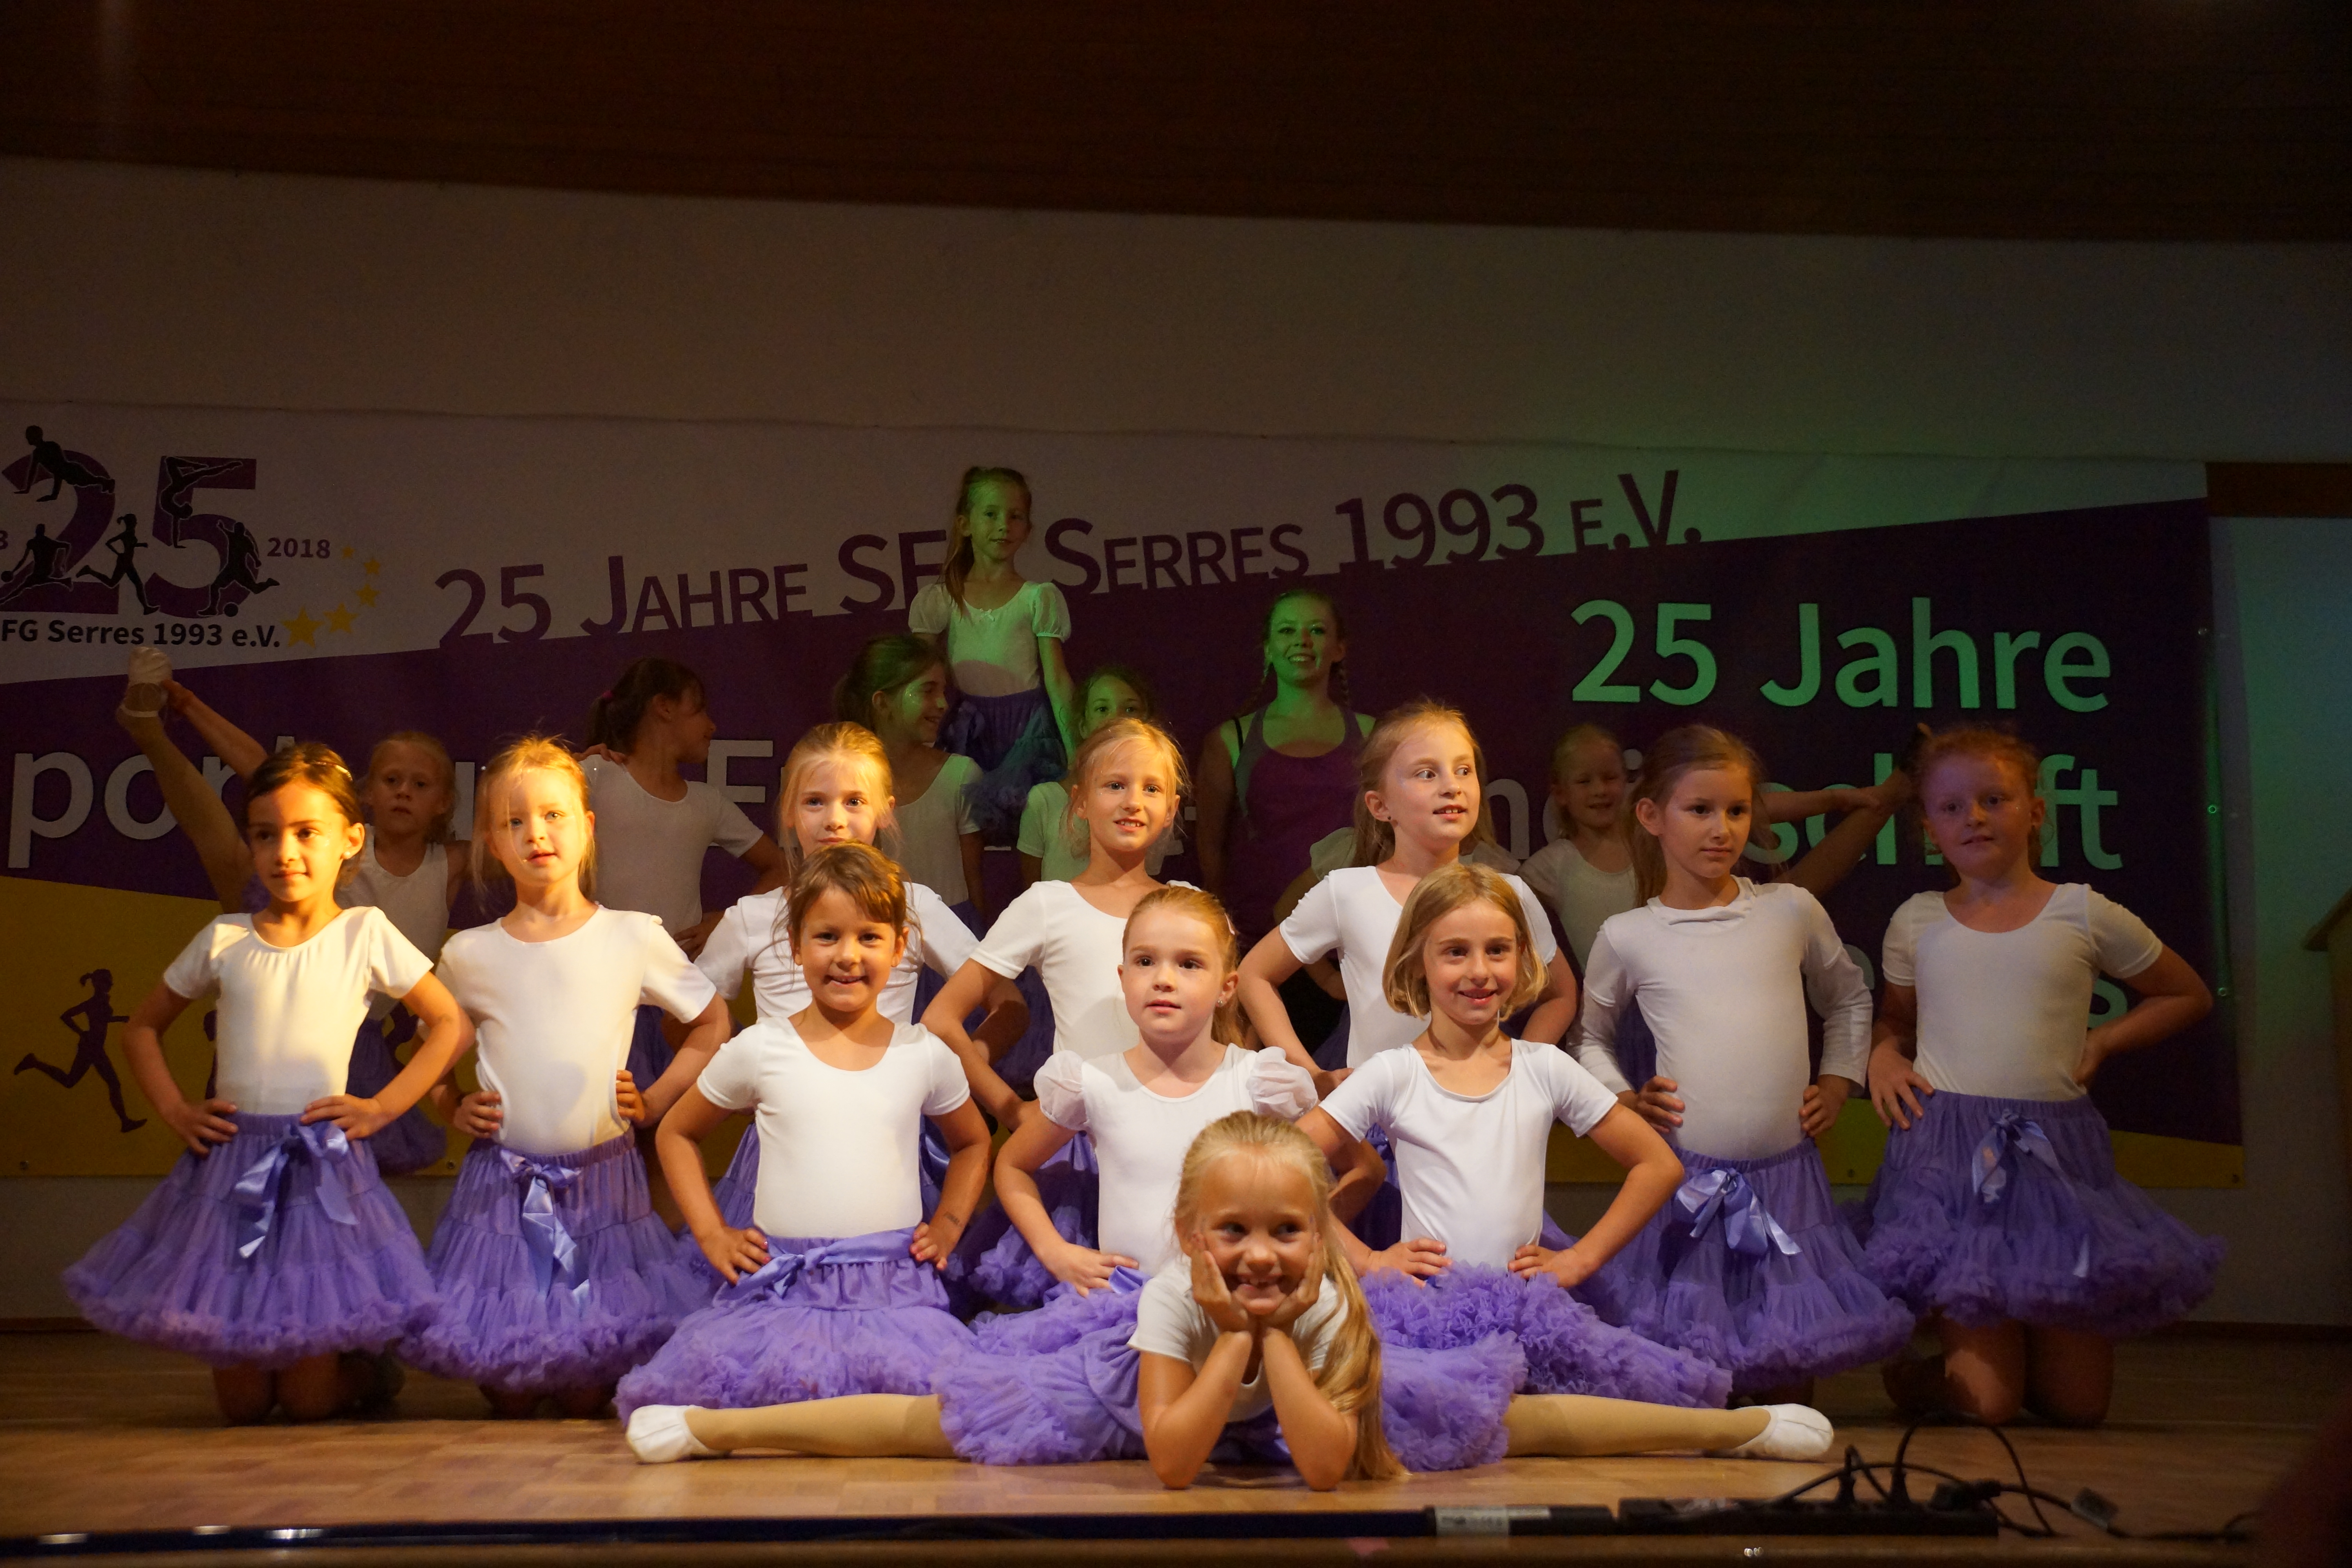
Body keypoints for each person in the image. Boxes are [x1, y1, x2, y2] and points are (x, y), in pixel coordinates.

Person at [624, 1112, 1833, 1479]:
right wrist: (1230, 1341)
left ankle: (1733, 1430)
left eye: (1288, 1232)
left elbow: (1325, 1468)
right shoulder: (1169, 1297)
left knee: (1518, 1424)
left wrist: (1283, 1340)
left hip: (1294, 1404)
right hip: (1138, 1399)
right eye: (1234, 1234)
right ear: (1190, 1237)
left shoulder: (1325, 1301)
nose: (1260, 1255)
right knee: (930, 1420)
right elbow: (1171, 1457)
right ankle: (718, 1431)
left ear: (1323, 1235)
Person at [60, 744, 470, 1422]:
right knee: (244, 1407)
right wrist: (177, 1110)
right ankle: (303, 1371)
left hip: (319, 1162)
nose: (286, 852)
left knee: (306, 1404)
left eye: (307, 833)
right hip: (233, 1167)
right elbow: (141, 1029)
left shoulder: (364, 933)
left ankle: (363, 1374)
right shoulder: (225, 938)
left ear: (350, 840)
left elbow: (449, 1022)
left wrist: (382, 1107)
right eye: (265, 835)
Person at [1852, 727, 2221, 1427]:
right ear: (1929, 829)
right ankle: (1925, 1378)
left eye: (1994, 799)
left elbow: (2187, 994)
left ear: (2035, 811)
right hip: (1949, 1150)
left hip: (2055, 1153)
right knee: (1989, 1405)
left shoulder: (2082, 911)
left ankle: (2008, 1358)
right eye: (1952, 807)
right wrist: (1884, 1056)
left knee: (2078, 1408)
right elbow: (1895, 1019)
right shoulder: (1918, 920)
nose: (1975, 818)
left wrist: (2105, 1039)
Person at [1301, 861, 1733, 1410]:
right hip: (1427, 1310)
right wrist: (1366, 1260)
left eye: (1498, 951)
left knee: (1589, 1413)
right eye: (1456, 952)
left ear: (1522, 958)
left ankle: (1748, 1430)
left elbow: (1658, 1164)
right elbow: (1282, 1168)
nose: (1479, 971)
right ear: (1418, 960)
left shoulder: (1543, 1067)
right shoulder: (1394, 1073)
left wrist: (1580, 1260)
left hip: (1526, 1311)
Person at [1570, 726, 1913, 1401]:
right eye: (1700, 810)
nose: (1721, 829)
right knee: (1699, 1384)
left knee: (1790, 1383)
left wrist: (1837, 1081)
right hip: (1686, 1186)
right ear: (1652, 816)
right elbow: (1589, 1037)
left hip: (1789, 1183)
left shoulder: (1789, 910)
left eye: (1737, 810)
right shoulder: (1631, 935)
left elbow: (1848, 998)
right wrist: (1623, 1098)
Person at [614, 844, 993, 1423]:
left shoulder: (924, 1054)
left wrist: (948, 1225)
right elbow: (676, 1133)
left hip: (891, 1296)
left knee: (903, 1418)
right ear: (795, 945)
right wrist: (713, 1233)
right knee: (775, 1421)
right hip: (782, 1292)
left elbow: (973, 1142)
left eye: (869, 938)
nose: (848, 956)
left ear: (899, 947)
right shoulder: (760, 1049)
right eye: (827, 937)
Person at [407, 737, 729, 1417]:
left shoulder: (632, 936)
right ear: (492, 843)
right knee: (511, 1393)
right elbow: (429, 1044)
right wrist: (450, 1102)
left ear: (587, 826)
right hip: (504, 1190)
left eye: (553, 815)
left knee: (586, 1390)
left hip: (602, 1189)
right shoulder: (470, 954)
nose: (536, 834)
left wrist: (657, 1100)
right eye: (514, 821)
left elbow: (711, 1022)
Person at [688, 724, 1026, 1283]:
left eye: (853, 802)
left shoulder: (914, 908)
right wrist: (743, 1068)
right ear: (788, 810)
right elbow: (691, 1019)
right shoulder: (752, 916)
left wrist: (963, 1064)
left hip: (892, 1148)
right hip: (783, 1158)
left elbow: (1007, 1000)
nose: (835, 820)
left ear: (885, 811)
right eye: (815, 802)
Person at [131, 666, 468, 1174]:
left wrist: (589, 774)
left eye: (420, 784)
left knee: (341, 1169)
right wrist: (189, 705)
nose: (403, 792)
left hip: (355, 1029)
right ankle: (150, 735)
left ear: (443, 801)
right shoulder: (324, 831)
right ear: (368, 795)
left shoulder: (444, 866)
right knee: (230, 847)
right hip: (279, 940)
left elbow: (516, 826)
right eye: (391, 780)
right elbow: (266, 774)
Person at [973, 886, 1327, 1353]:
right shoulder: (1093, 1083)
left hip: (1234, 1309)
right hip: (1125, 1312)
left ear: (1227, 988)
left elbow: (1318, 1181)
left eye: (1189, 964)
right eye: (1145, 961)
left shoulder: (1260, 1083)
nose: (1163, 979)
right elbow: (1012, 1165)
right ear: (1123, 978)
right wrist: (1055, 1252)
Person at [922, 717, 1188, 1306]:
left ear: (1172, 809)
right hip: (1080, 1150)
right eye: (1115, 785)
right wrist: (1009, 1107)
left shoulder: (1189, 909)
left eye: (1151, 788)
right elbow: (942, 1018)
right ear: (1080, 802)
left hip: (1173, 1140)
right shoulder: (1049, 904)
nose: (1133, 801)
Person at [1236, 701, 1579, 1083]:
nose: (1452, 786)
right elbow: (1254, 974)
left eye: (1464, 770)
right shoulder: (1347, 892)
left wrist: (1521, 1071)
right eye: (1427, 774)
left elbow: (1561, 994)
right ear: (1380, 805)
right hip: (1380, 1114)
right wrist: (1312, 1075)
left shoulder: (1507, 893)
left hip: (1479, 1106)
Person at [581, 657, 788, 1088]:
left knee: (670, 1111)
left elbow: (781, 868)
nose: (712, 725)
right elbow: (525, 803)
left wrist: (727, 920)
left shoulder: (706, 803)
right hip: (599, 994)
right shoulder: (594, 777)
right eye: (700, 710)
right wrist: (565, 768)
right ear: (664, 708)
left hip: (677, 997)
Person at [1194, 590, 1373, 948]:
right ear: (1268, 649)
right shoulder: (1230, 740)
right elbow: (1210, 846)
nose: (1302, 641)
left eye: (1317, 630)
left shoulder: (1375, 736)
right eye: (1287, 630)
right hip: (1258, 939)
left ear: (1340, 648)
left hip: (1355, 937)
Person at [906, 467, 1077, 843]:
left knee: (1035, 833)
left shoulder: (1038, 597)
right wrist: (912, 745)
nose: (1004, 526)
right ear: (965, 525)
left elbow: (1057, 678)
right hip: (969, 732)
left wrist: (1075, 752)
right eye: (991, 514)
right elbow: (918, 677)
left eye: (1016, 516)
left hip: (1027, 732)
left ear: (1028, 529)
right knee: (969, 832)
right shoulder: (942, 599)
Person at [837, 636, 985, 918]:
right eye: (928, 691)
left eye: (943, 691)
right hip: (870, 929)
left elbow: (973, 881)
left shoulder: (960, 776)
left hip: (949, 930)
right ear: (883, 703)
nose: (943, 704)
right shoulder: (839, 785)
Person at [1017, 665, 1175, 887]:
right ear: (1083, 725)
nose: (1116, 719)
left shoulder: (1151, 805)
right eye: (1102, 709)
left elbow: (1146, 878)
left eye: (1130, 709)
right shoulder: (1044, 800)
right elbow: (1032, 886)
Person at [16, 968, 145, 1134]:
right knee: (112, 1083)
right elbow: (72, 1016)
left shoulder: (99, 1001)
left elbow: (96, 1019)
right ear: (98, 984)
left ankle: (34, 1063)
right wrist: (83, 1032)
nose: (109, 985)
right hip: (92, 1047)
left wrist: (117, 1020)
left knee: (71, 1081)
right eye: (106, 982)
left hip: (94, 1046)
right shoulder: (95, 1002)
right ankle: (125, 1121)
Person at [74, 513, 154, 614]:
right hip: (125, 563)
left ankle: (90, 571)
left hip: (128, 562)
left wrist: (141, 545)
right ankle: (146, 608)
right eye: (135, 522)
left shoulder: (131, 533)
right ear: (131, 523)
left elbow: (131, 545)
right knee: (136, 584)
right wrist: (118, 553)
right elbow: (109, 543)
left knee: (115, 583)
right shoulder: (126, 534)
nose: (136, 523)